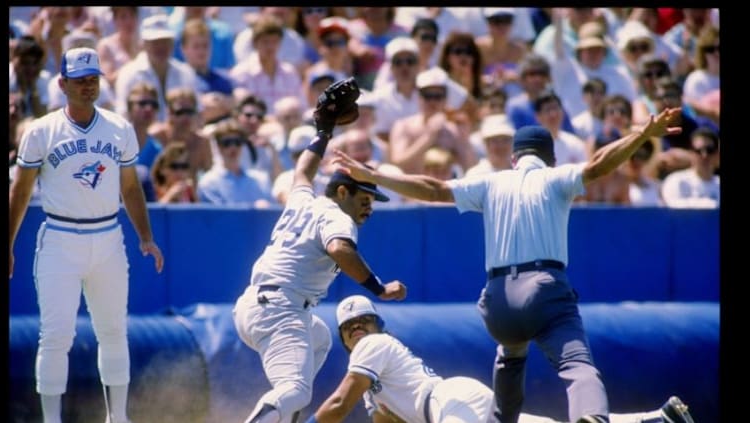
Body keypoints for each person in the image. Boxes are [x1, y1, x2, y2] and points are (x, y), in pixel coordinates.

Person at [331, 106, 683, 423]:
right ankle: (591, 417)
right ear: (550, 158)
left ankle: (503, 419)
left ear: (514, 158)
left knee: (511, 356)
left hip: (498, 300)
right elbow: (597, 165)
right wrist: (639, 135)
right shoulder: (554, 178)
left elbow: (433, 188)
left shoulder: (491, 182)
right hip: (544, 286)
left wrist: (374, 175)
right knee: (577, 366)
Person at [232, 78, 407, 423]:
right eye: (365, 198)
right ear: (342, 192)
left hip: (254, 305)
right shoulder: (337, 216)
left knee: (320, 338)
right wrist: (378, 288)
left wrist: (323, 130)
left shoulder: (304, 200)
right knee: (296, 389)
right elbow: (340, 249)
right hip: (280, 309)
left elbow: (302, 171)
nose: (369, 207)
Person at [8, 47, 165, 423]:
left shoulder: (119, 128)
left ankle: (119, 416)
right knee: (56, 335)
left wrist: (146, 236)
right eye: (80, 80)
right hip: (60, 236)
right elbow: (22, 190)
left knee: (113, 330)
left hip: (108, 235)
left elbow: (130, 187)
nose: (88, 86)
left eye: (93, 79)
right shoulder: (41, 131)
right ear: (62, 83)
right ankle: (51, 419)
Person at [305, 294, 696, 423]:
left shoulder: (374, 346)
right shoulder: (371, 372)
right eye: (350, 327)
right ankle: (655, 418)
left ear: (378, 325)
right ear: (341, 336)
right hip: (450, 404)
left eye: (365, 322)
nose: (359, 329)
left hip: (446, 403)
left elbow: (340, 403)